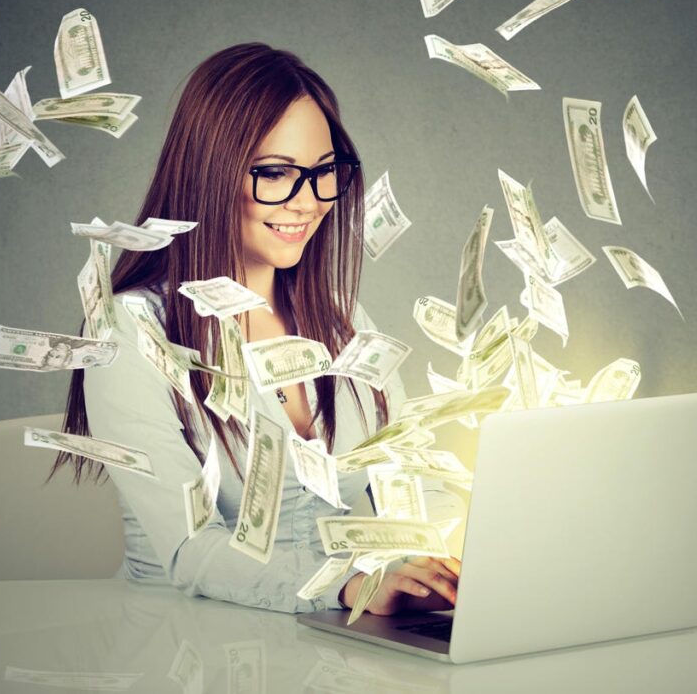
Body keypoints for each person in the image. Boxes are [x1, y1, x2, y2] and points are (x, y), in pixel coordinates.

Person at [53, 43, 462, 615]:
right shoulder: (129, 332)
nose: (308, 202)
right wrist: (345, 586)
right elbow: (191, 549)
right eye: (275, 173)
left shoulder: (341, 320)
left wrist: (443, 558)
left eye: (324, 173)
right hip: (180, 642)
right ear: (209, 173)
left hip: (336, 636)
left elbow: (411, 477)